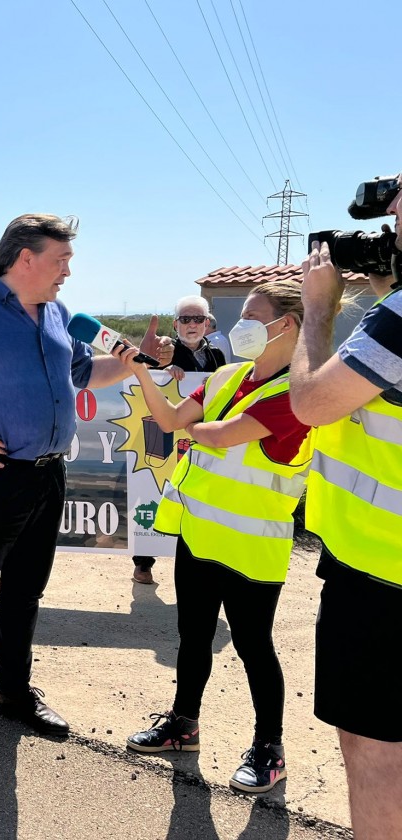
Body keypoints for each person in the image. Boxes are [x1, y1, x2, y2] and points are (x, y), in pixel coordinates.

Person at [0, 213, 163, 757]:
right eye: (60, 260)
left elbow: (84, 375)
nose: (67, 271)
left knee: (24, 594)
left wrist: (133, 364)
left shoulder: (59, 312)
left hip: (48, 475)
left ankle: (13, 695)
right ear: (25, 259)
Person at [123, 280, 312, 795]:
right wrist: (139, 367)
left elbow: (219, 434)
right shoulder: (228, 376)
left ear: (286, 325)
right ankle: (183, 726)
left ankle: (269, 749)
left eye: (252, 315)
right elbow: (166, 420)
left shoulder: (297, 394)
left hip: (253, 548)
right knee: (192, 636)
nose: (238, 326)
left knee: (254, 647)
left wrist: (191, 425)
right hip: (200, 536)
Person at [290, 190, 402, 838]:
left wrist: (317, 311)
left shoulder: (395, 323)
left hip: (380, 573)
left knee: (376, 753)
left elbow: (310, 400)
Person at [132, 295, 228, 585]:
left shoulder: (218, 356)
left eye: (198, 319)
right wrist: (164, 370)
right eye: (185, 319)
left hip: (199, 431)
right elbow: (145, 375)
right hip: (163, 431)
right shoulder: (165, 351)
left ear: (207, 323)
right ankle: (143, 563)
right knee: (153, 492)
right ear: (175, 324)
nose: (192, 325)